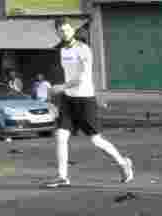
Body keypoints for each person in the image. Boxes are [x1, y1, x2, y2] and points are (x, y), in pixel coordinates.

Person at [44, 19, 133, 188]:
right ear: (57, 33)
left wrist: (61, 87)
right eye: (61, 31)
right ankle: (62, 177)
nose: (65, 33)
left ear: (73, 30)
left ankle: (123, 163)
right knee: (61, 136)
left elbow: (82, 77)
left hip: (85, 99)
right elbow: (66, 76)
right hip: (68, 99)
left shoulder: (83, 49)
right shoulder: (62, 50)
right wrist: (57, 92)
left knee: (96, 140)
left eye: (67, 30)